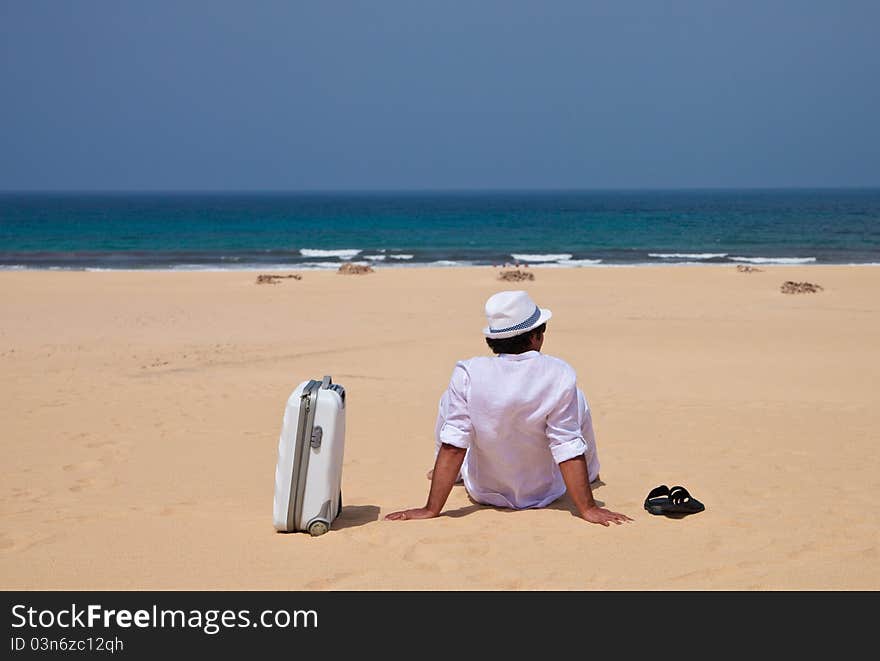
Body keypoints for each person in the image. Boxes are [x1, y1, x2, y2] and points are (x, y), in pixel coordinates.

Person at [386, 290, 632, 527]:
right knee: (578, 399)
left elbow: (454, 444)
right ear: (536, 336)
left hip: (484, 489)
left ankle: (455, 474)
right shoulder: (559, 372)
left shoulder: (469, 372)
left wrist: (431, 509)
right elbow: (565, 442)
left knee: (448, 402)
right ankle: (590, 472)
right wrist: (588, 508)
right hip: (546, 491)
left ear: (493, 340)